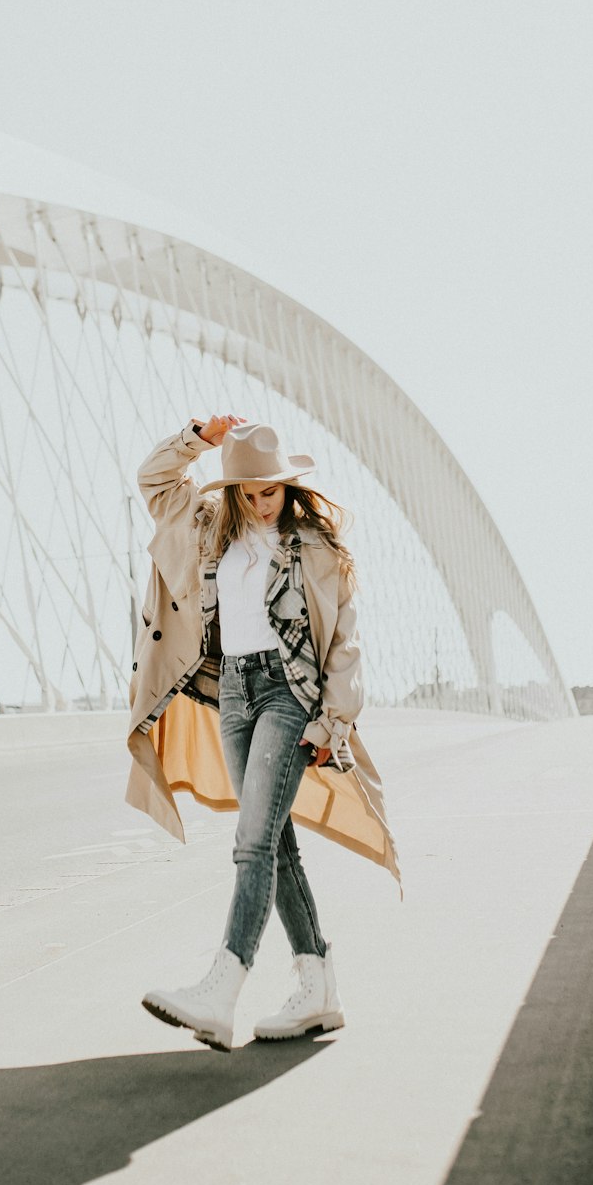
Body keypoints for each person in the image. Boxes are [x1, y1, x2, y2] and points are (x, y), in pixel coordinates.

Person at [126, 415, 399, 1052]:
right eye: (245, 491)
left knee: (252, 843)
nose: (258, 501)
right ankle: (318, 988)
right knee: (278, 846)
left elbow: (344, 644)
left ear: (288, 485)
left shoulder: (315, 548)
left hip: (287, 694)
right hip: (233, 696)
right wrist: (198, 437)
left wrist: (333, 720)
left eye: (268, 490)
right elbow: (154, 479)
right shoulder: (206, 529)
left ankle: (221, 991)